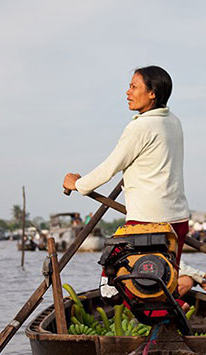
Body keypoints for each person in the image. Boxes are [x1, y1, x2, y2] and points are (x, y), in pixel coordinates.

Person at [62, 66, 193, 299]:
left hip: (147, 222)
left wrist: (78, 184)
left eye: (134, 87)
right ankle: (170, 320)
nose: (127, 92)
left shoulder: (140, 127)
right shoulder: (173, 122)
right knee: (164, 284)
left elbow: (110, 167)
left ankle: (144, 320)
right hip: (178, 220)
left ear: (152, 93)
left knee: (122, 280)